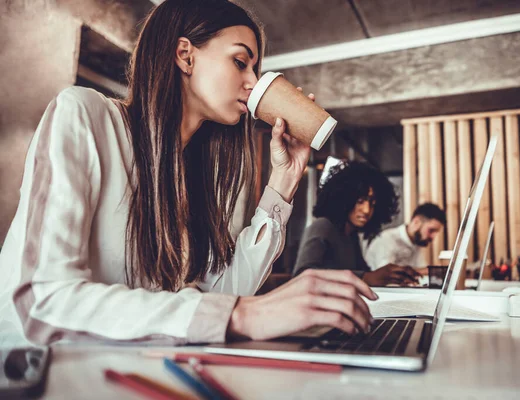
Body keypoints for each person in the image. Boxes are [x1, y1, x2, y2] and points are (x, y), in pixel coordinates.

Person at [0, 0, 377, 346]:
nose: (252, 82)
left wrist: (285, 178)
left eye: (255, 69)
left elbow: (223, 295)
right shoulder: (84, 114)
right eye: (240, 62)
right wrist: (244, 314)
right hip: (37, 376)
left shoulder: (191, 169)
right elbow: (43, 299)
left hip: (124, 374)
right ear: (185, 55)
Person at [293, 161, 421, 286]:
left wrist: (394, 274)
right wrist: (365, 277)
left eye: (372, 204)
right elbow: (302, 276)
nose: (367, 210)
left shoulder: (351, 234)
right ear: (343, 198)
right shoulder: (323, 226)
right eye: (360, 201)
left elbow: (364, 273)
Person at [365, 203, 446, 270]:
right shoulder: (386, 239)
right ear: (416, 222)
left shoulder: (415, 243)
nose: (433, 237)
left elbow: (422, 271)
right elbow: (386, 275)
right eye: (431, 230)